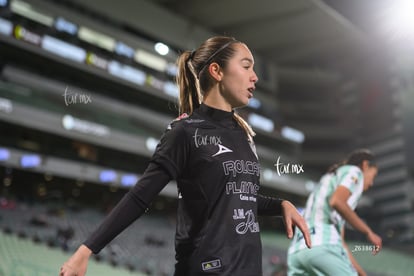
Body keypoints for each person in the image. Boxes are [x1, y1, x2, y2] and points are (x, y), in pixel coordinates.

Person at [59, 35, 311, 276]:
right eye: (246, 67)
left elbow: (235, 199)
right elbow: (139, 197)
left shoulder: (243, 134)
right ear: (217, 71)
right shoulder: (185, 131)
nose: (254, 77)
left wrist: (281, 205)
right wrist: (86, 250)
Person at [287, 149, 382, 276]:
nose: (371, 183)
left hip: (296, 253)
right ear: (365, 165)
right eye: (373, 176)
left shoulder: (330, 178)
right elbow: (337, 201)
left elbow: (341, 244)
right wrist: (368, 232)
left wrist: (362, 274)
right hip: (321, 248)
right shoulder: (355, 171)